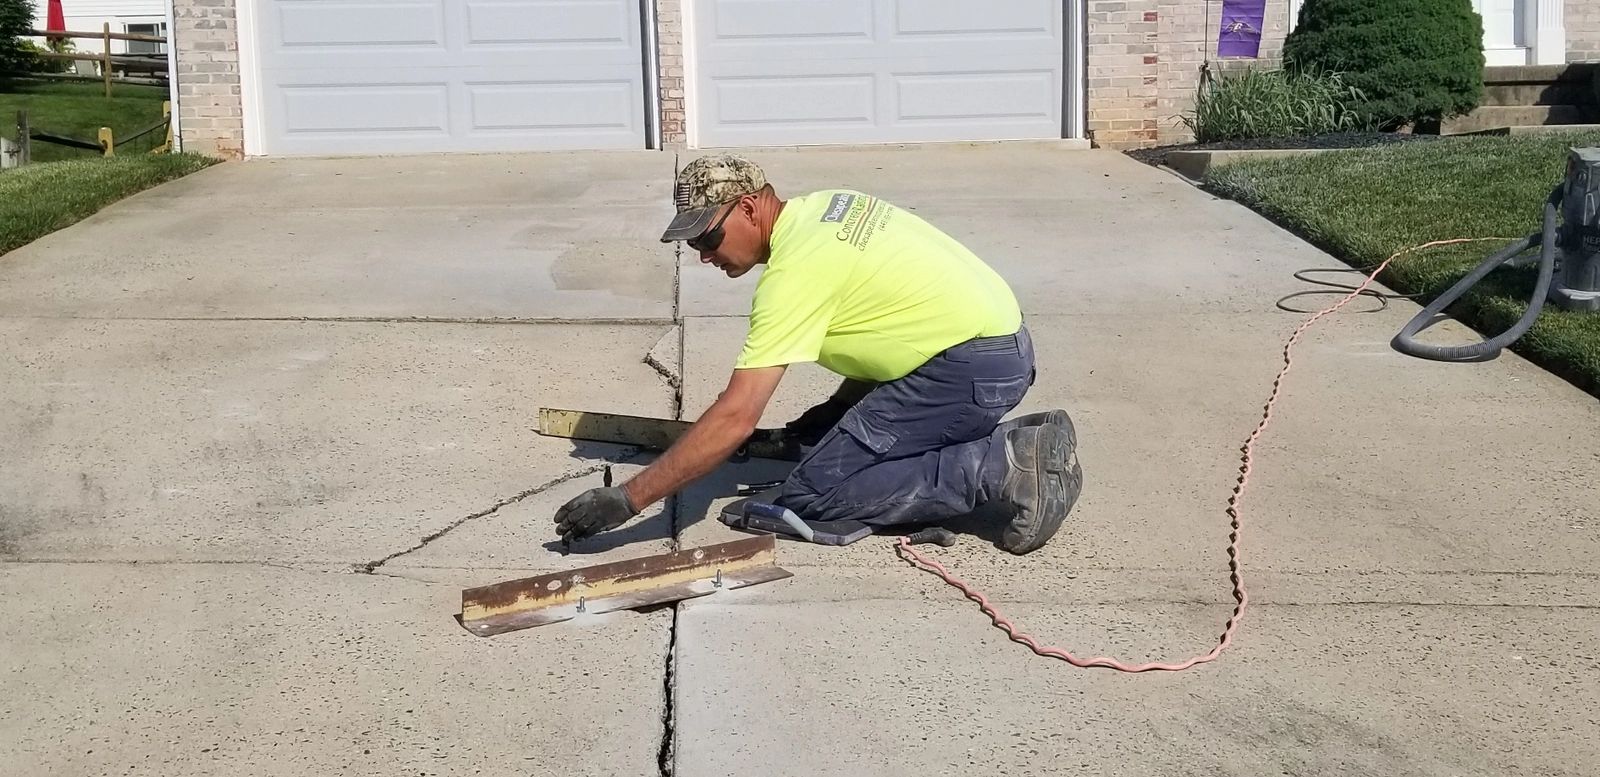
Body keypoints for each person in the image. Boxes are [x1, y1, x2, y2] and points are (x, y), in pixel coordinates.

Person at [552, 154, 1082, 554]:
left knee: (814, 493)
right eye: (693, 246)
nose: (705, 255)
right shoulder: (829, 207)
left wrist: (629, 498)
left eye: (709, 237)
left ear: (749, 206)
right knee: (830, 445)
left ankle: (1004, 467)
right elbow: (888, 322)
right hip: (994, 350)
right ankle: (1027, 442)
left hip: (968, 369)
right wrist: (833, 414)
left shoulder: (793, 276)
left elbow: (736, 416)